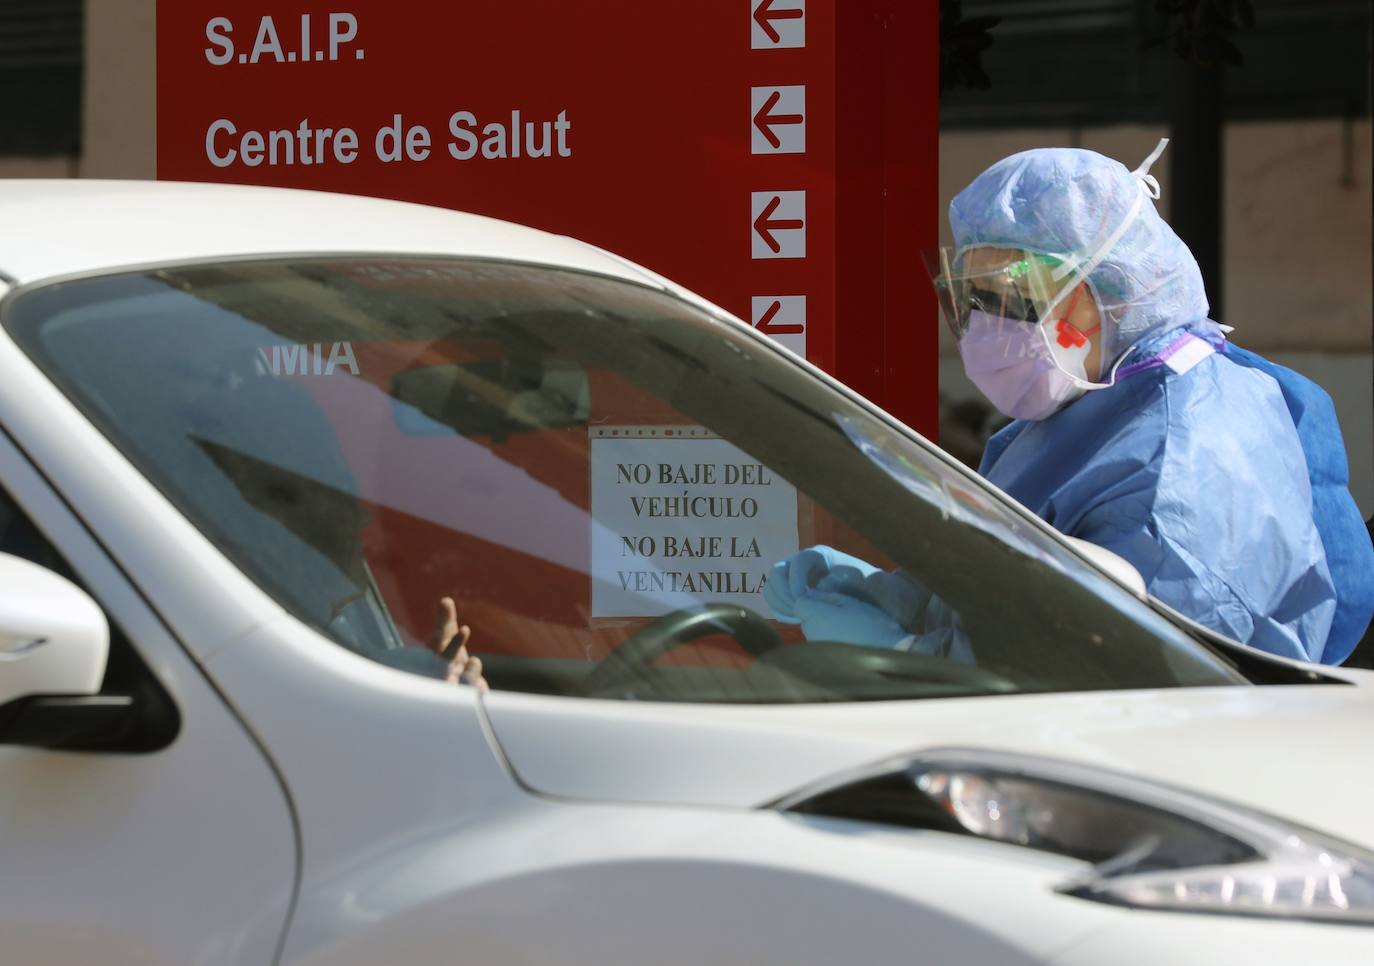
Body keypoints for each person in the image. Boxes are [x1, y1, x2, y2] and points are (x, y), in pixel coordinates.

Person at [768, 140, 1374, 666]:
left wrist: (909, 657)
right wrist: (905, 597)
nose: (986, 326)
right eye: (971, 298)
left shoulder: (1178, 471)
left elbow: (1127, 677)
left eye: (1012, 296)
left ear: (1107, 292)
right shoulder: (1104, 397)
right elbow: (1024, 577)